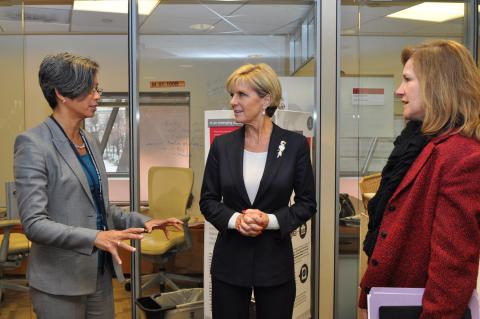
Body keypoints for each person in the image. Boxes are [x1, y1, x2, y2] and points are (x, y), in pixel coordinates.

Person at [14, 52, 183, 319]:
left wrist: (144, 221)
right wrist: (95, 237)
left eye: (97, 88)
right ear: (62, 93)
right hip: (59, 283)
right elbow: (34, 224)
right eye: (90, 89)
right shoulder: (34, 144)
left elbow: (100, 209)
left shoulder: (89, 141)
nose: (97, 96)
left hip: (98, 275)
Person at [359, 40, 480, 318]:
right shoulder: (415, 146)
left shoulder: (462, 156)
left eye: (407, 80)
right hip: (392, 300)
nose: (398, 91)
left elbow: (452, 269)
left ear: (436, 86)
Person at [200, 63, 317, 319]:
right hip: (229, 263)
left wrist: (270, 221)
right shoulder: (222, 146)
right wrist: (235, 220)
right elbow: (208, 200)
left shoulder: (294, 145)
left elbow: (307, 203)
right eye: (232, 94)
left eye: (241, 95)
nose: (233, 101)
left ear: (266, 100)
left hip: (274, 263)